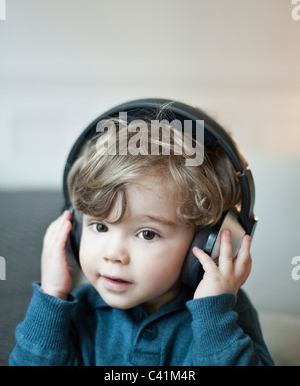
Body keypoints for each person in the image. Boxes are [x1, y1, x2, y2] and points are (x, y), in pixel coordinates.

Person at [9, 108, 274, 366]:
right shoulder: (75, 311)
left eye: (147, 234)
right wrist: (51, 295)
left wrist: (214, 314)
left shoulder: (225, 311)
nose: (113, 254)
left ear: (207, 242)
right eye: (100, 227)